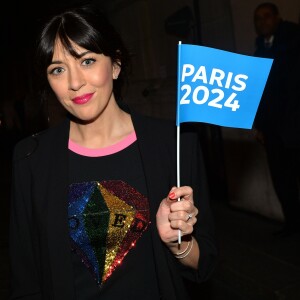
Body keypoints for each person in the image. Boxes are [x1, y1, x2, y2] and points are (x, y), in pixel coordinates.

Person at [9, 3, 218, 299]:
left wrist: (177, 243)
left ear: (116, 64)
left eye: (87, 61)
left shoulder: (174, 144)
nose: (75, 82)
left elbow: (204, 264)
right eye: (58, 69)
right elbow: (25, 281)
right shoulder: (31, 158)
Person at [252, 2, 300, 237]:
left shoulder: (293, 38)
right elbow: (259, 90)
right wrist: (259, 125)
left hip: (294, 124)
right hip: (273, 129)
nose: (263, 22)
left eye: (267, 17)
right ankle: (292, 225)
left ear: (277, 17)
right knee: (282, 178)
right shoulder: (260, 46)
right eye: (258, 19)